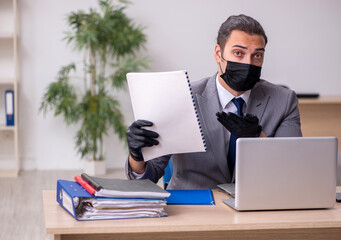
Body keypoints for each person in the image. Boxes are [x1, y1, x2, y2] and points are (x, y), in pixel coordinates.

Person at [125, 14, 302, 190]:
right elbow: (146, 179)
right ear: (218, 54)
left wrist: (258, 140)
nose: (248, 63)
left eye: (257, 56)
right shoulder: (183, 96)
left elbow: (293, 171)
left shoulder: (284, 100)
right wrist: (137, 155)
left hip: (257, 204)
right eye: (238, 53)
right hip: (193, 208)